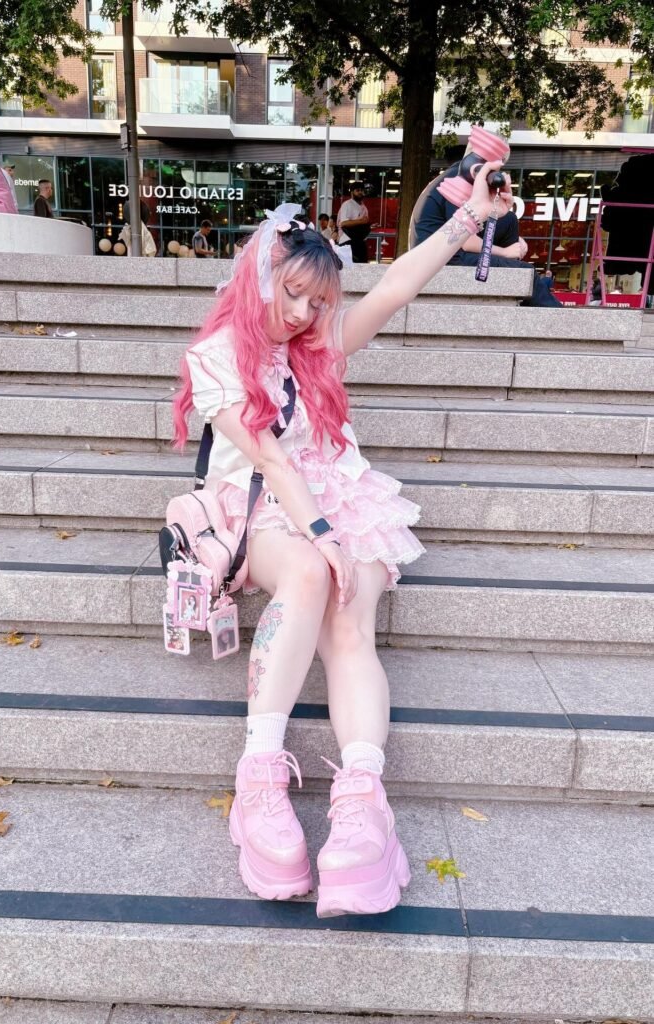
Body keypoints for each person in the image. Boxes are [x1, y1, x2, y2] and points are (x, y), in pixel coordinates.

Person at [172, 160, 507, 917]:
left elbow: (392, 286)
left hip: (337, 493)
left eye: (317, 299)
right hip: (256, 505)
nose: (301, 311)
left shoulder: (321, 348)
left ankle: (362, 798)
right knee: (309, 575)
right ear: (258, 276)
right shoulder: (216, 356)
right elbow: (263, 455)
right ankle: (258, 777)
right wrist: (318, 533)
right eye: (290, 291)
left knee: (352, 619)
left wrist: (468, 220)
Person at [411, 159, 562, 308]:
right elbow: (466, 242)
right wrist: (505, 252)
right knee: (525, 272)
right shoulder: (458, 183)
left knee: (509, 219)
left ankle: (512, 289)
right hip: (446, 258)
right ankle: (558, 319)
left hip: (442, 252)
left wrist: (516, 242)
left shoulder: (455, 176)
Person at [601, 154, 654, 301]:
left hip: (628, 248)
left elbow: (607, 224)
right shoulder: (626, 196)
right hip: (637, 248)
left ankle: (615, 264)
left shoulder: (621, 195)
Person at [337, 182, 371, 263]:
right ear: (352, 192)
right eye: (357, 190)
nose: (360, 192)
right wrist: (361, 221)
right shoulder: (347, 204)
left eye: (362, 190)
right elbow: (343, 223)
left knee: (362, 267)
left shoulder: (364, 207)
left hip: (360, 241)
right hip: (347, 241)